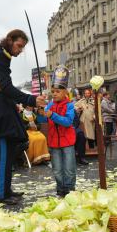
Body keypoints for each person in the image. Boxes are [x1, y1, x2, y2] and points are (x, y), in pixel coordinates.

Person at [0, 29, 46, 205]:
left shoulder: (3, 55)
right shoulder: (0, 56)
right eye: (19, 46)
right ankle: (0, 194)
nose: (20, 50)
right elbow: (6, 87)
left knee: (7, 152)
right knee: (2, 153)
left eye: (22, 47)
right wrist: (30, 98)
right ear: (10, 40)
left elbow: (4, 86)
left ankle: (5, 189)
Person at [39, 65, 76, 197]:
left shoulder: (70, 105)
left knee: (69, 169)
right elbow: (42, 118)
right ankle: (60, 189)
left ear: (65, 92)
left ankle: (70, 190)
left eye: (57, 91)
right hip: (54, 143)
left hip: (67, 143)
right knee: (57, 170)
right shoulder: (50, 105)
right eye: (53, 91)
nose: (54, 94)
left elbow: (68, 122)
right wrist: (40, 110)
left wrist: (52, 115)